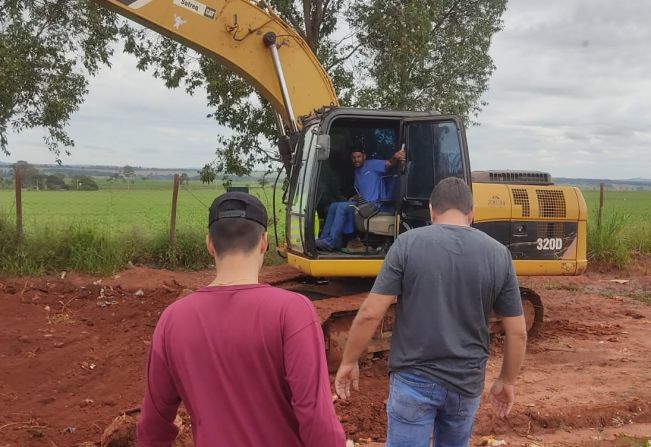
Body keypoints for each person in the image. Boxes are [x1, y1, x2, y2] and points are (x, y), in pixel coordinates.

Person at [137, 192, 346, 447]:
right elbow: (316, 419)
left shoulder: (172, 319)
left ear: (209, 244)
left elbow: (152, 426)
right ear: (264, 242)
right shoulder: (292, 311)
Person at [334, 177, 527, 447]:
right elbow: (517, 332)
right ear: (471, 212)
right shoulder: (498, 254)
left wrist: (349, 361)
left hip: (413, 379)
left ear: (431, 210)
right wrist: (507, 380)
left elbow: (370, 313)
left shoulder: (407, 244)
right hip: (466, 382)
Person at [316, 147, 406, 251]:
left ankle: (330, 242)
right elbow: (362, 191)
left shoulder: (372, 165)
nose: (356, 159)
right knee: (333, 206)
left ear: (364, 156)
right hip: (363, 204)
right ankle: (323, 239)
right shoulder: (357, 171)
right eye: (353, 157)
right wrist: (354, 197)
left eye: (358, 156)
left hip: (375, 205)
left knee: (342, 207)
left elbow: (388, 164)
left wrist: (396, 156)